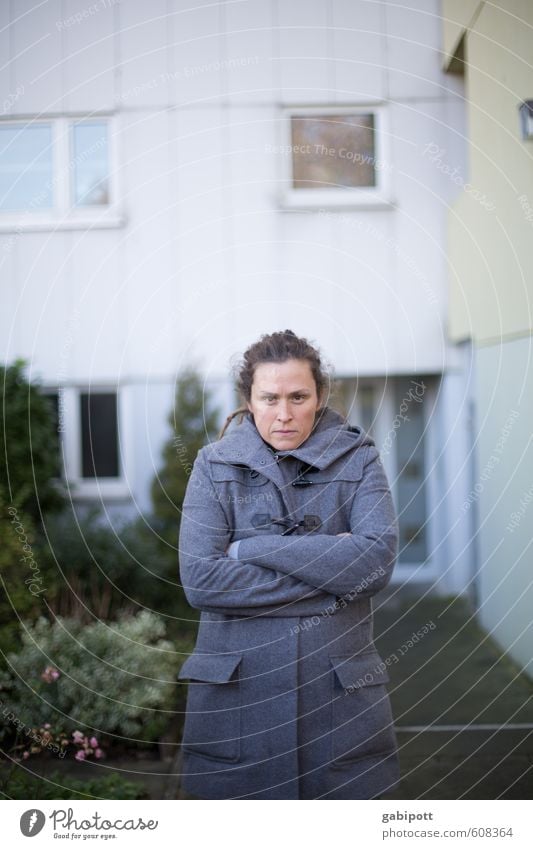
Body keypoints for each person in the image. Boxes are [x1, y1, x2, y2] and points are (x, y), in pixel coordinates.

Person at [177, 329, 400, 800]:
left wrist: (250, 549)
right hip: (238, 699)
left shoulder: (358, 459)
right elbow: (202, 580)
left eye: (298, 396)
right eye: (270, 398)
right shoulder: (213, 466)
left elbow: (375, 565)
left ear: (319, 397)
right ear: (248, 399)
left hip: (337, 698)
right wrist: (332, 570)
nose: (284, 414)